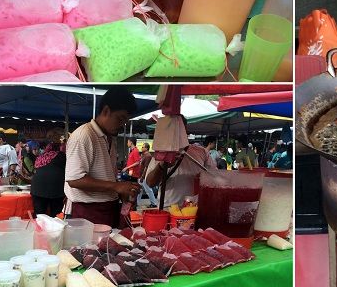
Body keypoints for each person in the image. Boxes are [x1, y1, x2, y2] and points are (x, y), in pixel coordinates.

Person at [64, 87, 140, 227]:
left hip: (107, 209)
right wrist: (116, 186)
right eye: (120, 119)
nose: (122, 125)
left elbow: (105, 176)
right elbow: (75, 180)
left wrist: (121, 191)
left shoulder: (109, 138)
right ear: (106, 111)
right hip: (87, 212)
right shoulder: (84, 135)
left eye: (125, 121)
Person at [145, 116, 215, 208]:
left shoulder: (201, 152)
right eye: (171, 127)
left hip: (194, 209)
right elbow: (150, 183)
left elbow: (214, 177)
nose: (175, 131)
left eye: (180, 127)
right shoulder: (161, 153)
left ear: (185, 129)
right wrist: (162, 166)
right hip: (168, 209)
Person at [31, 141, 66, 217]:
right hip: (56, 189)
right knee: (56, 217)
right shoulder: (62, 156)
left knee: (40, 217)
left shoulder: (41, 157)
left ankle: (39, 228)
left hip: (37, 188)